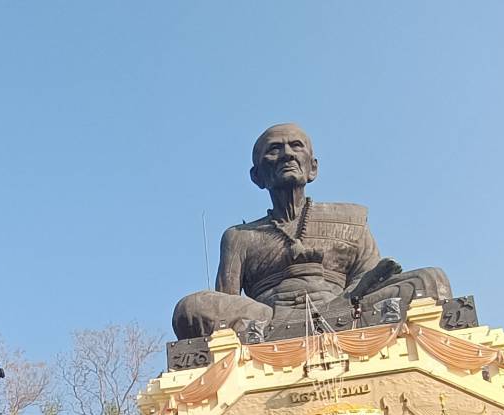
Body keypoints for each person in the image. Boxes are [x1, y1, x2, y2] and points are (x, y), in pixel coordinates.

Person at [170, 123, 452, 340]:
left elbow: (370, 280)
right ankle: (285, 332)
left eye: (296, 146)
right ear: (257, 176)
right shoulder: (239, 237)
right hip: (268, 319)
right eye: (274, 149)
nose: (287, 154)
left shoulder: (349, 219)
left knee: (431, 280)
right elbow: (227, 301)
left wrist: (342, 302)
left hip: (345, 311)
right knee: (191, 308)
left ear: (313, 167)